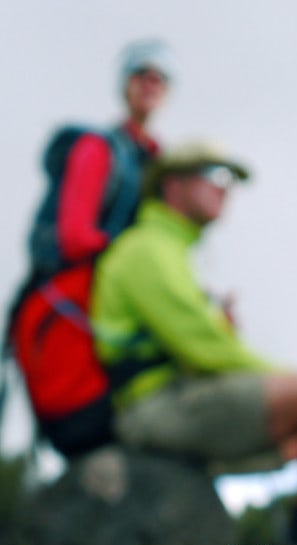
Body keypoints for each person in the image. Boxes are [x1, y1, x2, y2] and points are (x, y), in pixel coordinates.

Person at [91, 141, 297, 545]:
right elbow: (204, 348)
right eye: (215, 175)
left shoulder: (173, 250)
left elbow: (201, 343)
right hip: (150, 406)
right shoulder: (147, 249)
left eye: (231, 180)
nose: (226, 188)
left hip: (182, 397)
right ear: (173, 185)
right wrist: (295, 382)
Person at [5, 39, 174, 454]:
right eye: (141, 75)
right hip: (73, 301)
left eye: (159, 79)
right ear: (125, 85)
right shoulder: (98, 149)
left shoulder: (160, 164)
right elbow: (75, 236)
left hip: (110, 301)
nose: (149, 85)